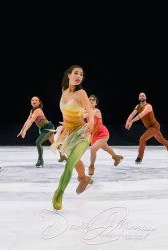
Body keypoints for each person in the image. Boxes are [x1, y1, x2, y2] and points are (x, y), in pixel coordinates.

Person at [50, 65, 94, 210]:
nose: (79, 76)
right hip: (68, 134)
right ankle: (83, 178)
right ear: (68, 75)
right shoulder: (64, 91)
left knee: (70, 163)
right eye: (76, 73)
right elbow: (67, 111)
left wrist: (91, 122)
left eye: (81, 74)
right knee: (75, 160)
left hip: (82, 134)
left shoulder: (81, 92)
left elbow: (89, 109)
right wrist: (67, 121)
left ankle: (58, 194)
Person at [125, 92, 168, 163]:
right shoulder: (138, 106)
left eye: (143, 96)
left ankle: (139, 157)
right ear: (139, 98)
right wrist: (127, 122)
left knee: (142, 139)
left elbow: (141, 114)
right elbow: (132, 114)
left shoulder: (148, 106)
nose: (142, 97)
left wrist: (132, 121)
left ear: (145, 97)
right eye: (140, 96)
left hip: (154, 126)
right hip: (150, 127)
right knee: (162, 140)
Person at [85, 94, 123, 176]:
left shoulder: (96, 111)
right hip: (94, 135)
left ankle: (91, 166)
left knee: (92, 149)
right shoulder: (87, 111)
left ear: (96, 103)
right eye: (89, 100)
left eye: (93, 100)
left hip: (102, 133)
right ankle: (116, 157)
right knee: (106, 148)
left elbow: (85, 115)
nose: (91, 101)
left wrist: (76, 116)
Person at [17, 96, 56, 167]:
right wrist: (22, 130)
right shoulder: (32, 111)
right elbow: (27, 121)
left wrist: (25, 131)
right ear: (31, 102)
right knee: (54, 144)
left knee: (38, 142)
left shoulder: (38, 110)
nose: (34, 101)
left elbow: (31, 121)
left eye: (36, 100)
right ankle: (64, 155)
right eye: (32, 100)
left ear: (39, 102)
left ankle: (40, 160)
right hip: (44, 129)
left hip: (48, 128)